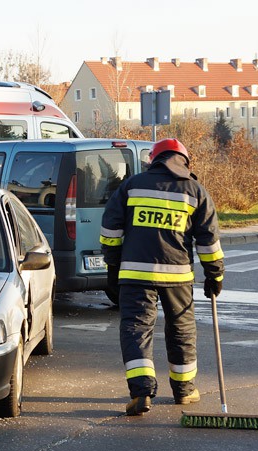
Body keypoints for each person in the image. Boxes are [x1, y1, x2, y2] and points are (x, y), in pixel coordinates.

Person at [100, 138, 224, 416]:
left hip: (134, 274)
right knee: (181, 330)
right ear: (184, 161)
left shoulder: (132, 186)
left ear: (153, 159)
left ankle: (141, 391)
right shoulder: (195, 191)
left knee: (136, 328)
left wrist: (112, 266)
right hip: (178, 276)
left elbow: (110, 229)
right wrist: (214, 276)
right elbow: (209, 241)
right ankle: (184, 390)